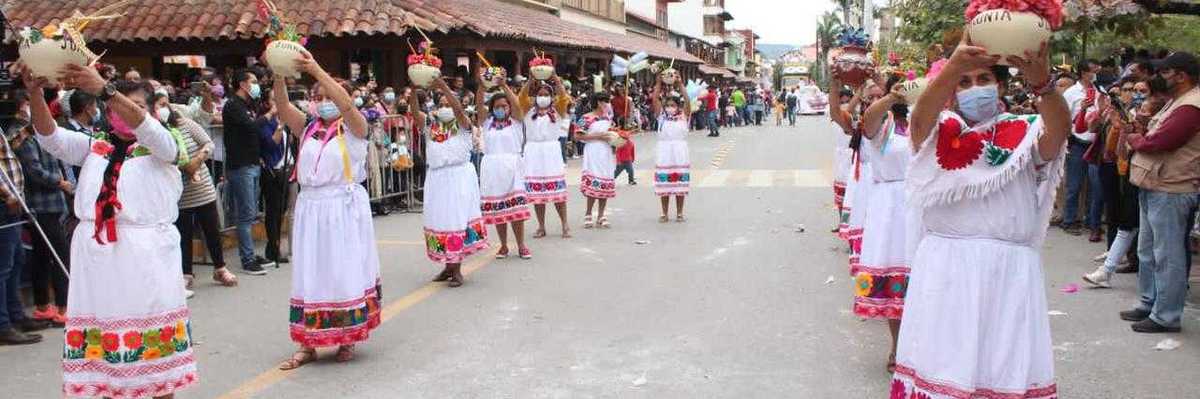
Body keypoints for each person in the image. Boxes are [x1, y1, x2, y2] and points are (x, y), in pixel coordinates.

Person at [890, 32, 1070, 398]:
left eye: (984, 79)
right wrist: (956, 62)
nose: (976, 88)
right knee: (944, 365)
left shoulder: (1023, 132)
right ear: (952, 92)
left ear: (1000, 87)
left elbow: (1058, 134)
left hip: (1009, 271)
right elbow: (921, 116)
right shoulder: (939, 134)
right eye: (965, 83)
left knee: (1003, 366)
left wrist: (1043, 84)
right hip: (947, 268)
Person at [24, 62, 199, 398]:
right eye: (117, 104)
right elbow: (49, 137)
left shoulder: (165, 145)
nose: (125, 112)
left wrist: (107, 90)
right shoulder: (96, 145)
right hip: (97, 258)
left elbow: (149, 129)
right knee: (105, 342)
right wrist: (35, 93)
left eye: (138, 106)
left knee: (151, 342)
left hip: (145, 256)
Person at [269, 53, 382, 368]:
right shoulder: (307, 127)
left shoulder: (355, 128)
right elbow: (281, 106)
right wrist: (279, 72)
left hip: (342, 208)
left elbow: (346, 106)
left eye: (326, 95)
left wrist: (317, 70)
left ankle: (346, 336)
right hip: (311, 207)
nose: (321, 101)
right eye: (316, 97)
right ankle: (308, 342)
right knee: (311, 272)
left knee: (341, 269)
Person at [1119, 51, 1200, 334]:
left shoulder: (1191, 106)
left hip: (1172, 188)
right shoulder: (1176, 102)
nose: (1159, 78)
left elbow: (1163, 141)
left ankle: (1166, 315)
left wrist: (1135, 138)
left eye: (1165, 73)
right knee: (1148, 251)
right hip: (1155, 184)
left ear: (1182, 75)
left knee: (1168, 255)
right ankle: (1150, 302)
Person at [850, 73, 915, 373]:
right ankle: (897, 346)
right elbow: (867, 121)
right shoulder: (884, 124)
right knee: (897, 282)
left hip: (925, 205)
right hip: (892, 209)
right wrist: (890, 99)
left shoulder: (926, 119)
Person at [151, 94, 239, 298]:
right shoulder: (156, 134)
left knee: (211, 230)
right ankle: (186, 272)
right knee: (184, 234)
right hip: (178, 191)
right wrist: (183, 167)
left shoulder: (186, 123)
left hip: (202, 187)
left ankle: (220, 268)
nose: (164, 109)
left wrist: (197, 160)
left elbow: (208, 143)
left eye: (165, 104)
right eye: (158, 106)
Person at [418, 77, 489, 287]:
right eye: (441, 105)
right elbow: (414, 112)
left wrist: (443, 88)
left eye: (448, 105)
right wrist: (414, 90)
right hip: (437, 177)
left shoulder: (464, 125)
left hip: (459, 177)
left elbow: (457, 109)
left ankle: (457, 269)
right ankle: (448, 267)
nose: (445, 108)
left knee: (455, 220)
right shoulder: (431, 127)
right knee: (439, 220)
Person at [12, 93, 73, 327]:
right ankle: (61, 307)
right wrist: (60, 182)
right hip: (41, 205)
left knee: (43, 255)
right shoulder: (25, 136)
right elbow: (34, 170)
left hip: (53, 204)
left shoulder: (42, 132)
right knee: (59, 254)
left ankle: (44, 306)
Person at [0, 90, 51, 345]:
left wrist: (31, 126)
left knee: (16, 261)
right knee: (4, 266)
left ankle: (16, 315)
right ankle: (3, 323)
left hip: (13, 203)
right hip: (5, 203)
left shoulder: (5, 128)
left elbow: (9, 149)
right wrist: (7, 194)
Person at [222, 69, 276, 275]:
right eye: (253, 82)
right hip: (241, 165)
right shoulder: (233, 106)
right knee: (244, 215)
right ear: (243, 84)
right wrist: (270, 114)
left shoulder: (247, 105)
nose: (257, 86)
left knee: (251, 213)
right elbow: (251, 127)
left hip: (253, 163)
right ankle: (247, 258)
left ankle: (251, 253)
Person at [474, 71, 532, 260]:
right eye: (497, 106)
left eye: (504, 106)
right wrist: (483, 86)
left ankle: (521, 245)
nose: (501, 109)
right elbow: (479, 106)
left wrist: (504, 85)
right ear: (492, 109)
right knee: (499, 208)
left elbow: (517, 105)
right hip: (492, 167)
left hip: (513, 166)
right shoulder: (488, 122)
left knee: (516, 210)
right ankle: (504, 246)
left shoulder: (515, 121)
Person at [518, 73, 572, 239]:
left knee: (557, 192)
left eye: (546, 95)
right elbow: (521, 98)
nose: (543, 97)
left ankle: (565, 225)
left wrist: (556, 79)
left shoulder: (557, 111)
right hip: (533, 152)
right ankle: (541, 226)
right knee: (538, 194)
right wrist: (530, 81)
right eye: (540, 94)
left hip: (551, 152)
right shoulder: (528, 111)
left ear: (551, 97)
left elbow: (564, 97)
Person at [1061, 60, 1105, 240]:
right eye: (1092, 70)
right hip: (1078, 142)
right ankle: (1069, 220)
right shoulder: (1071, 93)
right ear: (1083, 72)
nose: (1095, 72)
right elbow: (1064, 118)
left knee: (1094, 185)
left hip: (1096, 143)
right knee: (1074, 184)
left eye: (1096, 69)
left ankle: (1091, 220)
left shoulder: (1101, 91)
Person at [650, 75, 691, 222]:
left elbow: (687, 101)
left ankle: (679, 213)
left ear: (678, 106)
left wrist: (680, 84)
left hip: (680, 151)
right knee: (664, 184)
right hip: (664, 151)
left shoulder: (683, 115)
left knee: (680, 183)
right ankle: (664, 213)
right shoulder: (661, 116)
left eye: (673, 105)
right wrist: (659, 83)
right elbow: (655, 99)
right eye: (667, 105)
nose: (670, 107)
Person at [578, 93, 618, 229]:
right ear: (597, 102)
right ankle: (588, 214)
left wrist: (617, 137)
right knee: (594, 182)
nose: (607, 104)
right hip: (593, 151)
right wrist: (599, 136)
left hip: (606, 152)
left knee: (604, 181)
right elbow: (577, 135)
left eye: (608, 101)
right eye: (604, 101)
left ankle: (601, 215)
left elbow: (612, 134)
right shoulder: (586, 118)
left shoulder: (608, 118)